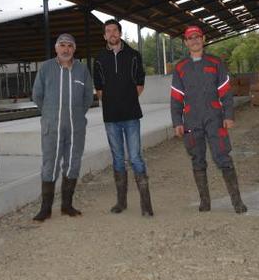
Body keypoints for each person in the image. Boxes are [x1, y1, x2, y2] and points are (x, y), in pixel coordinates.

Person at [170, 25, 248, 214]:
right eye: (190, 38)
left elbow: (226, 92)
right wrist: (177, 122)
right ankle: (205, 202)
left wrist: (228, 115)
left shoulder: (215, 63)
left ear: (203, 39)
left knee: (223, 157)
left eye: (197, 37)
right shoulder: (180, 68)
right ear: (186, 43)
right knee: (197, 159)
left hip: (214, 117)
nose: (194, 40)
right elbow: (176, 98)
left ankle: (237, 202)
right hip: (191, 120)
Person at [93, 19, 153, 217]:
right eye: (108, 31)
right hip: (111, 117)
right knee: (118, 158)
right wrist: (113, 101)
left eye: (115, 30)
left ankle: (146, 204)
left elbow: (140, 84)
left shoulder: (134, 55)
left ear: (120, 33)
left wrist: (125, 99)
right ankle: (121, 202)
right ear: (104, 36)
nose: (112, 34)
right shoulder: (100, 59)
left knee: (135, 157)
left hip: (131, 116)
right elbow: (99, 88)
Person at [32, 33, 94, 222]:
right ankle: (46, 208)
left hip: (76, 126)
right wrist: (51, 114)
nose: (66, 49)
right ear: (56, 48)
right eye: (62, 45)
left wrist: (76, 114)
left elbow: (87, 97)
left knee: (73, 162)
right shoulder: (46, 69)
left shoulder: (82, 70)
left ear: (74, 49)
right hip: (52, 125)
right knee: (50, 163)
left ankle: (67, 205)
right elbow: (37, 95)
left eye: (69, 46)